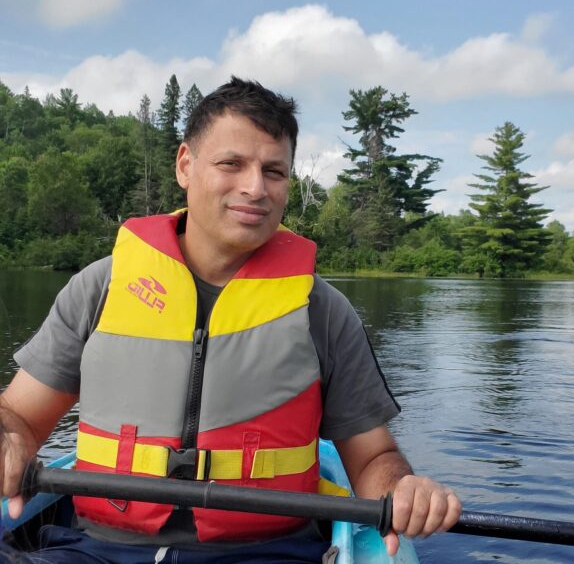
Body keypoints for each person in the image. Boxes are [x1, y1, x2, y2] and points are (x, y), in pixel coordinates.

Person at [0, 77, 461, 563]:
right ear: (185, 165)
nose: (255, 187)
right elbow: (21, 417)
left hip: (268, 552)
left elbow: (372, 459)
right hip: (96, 547)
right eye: (231, 164)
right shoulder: (99, 288)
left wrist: (404, 488)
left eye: (274, 171)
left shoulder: (323, 312)